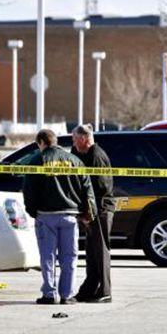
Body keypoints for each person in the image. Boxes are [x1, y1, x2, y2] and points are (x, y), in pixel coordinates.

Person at [23, 129, 95, 305]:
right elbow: (87, 189)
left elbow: (29, 191)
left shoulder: (37, 160)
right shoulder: (75, 161)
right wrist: (88, 213)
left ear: (41, 142)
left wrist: (33, 211)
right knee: (69, 257)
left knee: (48, 257)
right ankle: (67, 295)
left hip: (46, 216)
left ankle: (49, 294)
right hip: (70, 216)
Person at [71, 124, 114, 303]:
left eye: (74, 139)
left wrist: (89, 214)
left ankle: (105, 291)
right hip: (91, 210)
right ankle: (89, 289)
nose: (73, 143)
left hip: (100, 210)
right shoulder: (85, 155)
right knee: (92, 252)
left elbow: (99, 189)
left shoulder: (96, 156)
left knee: (101, 251)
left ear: (83, 138)